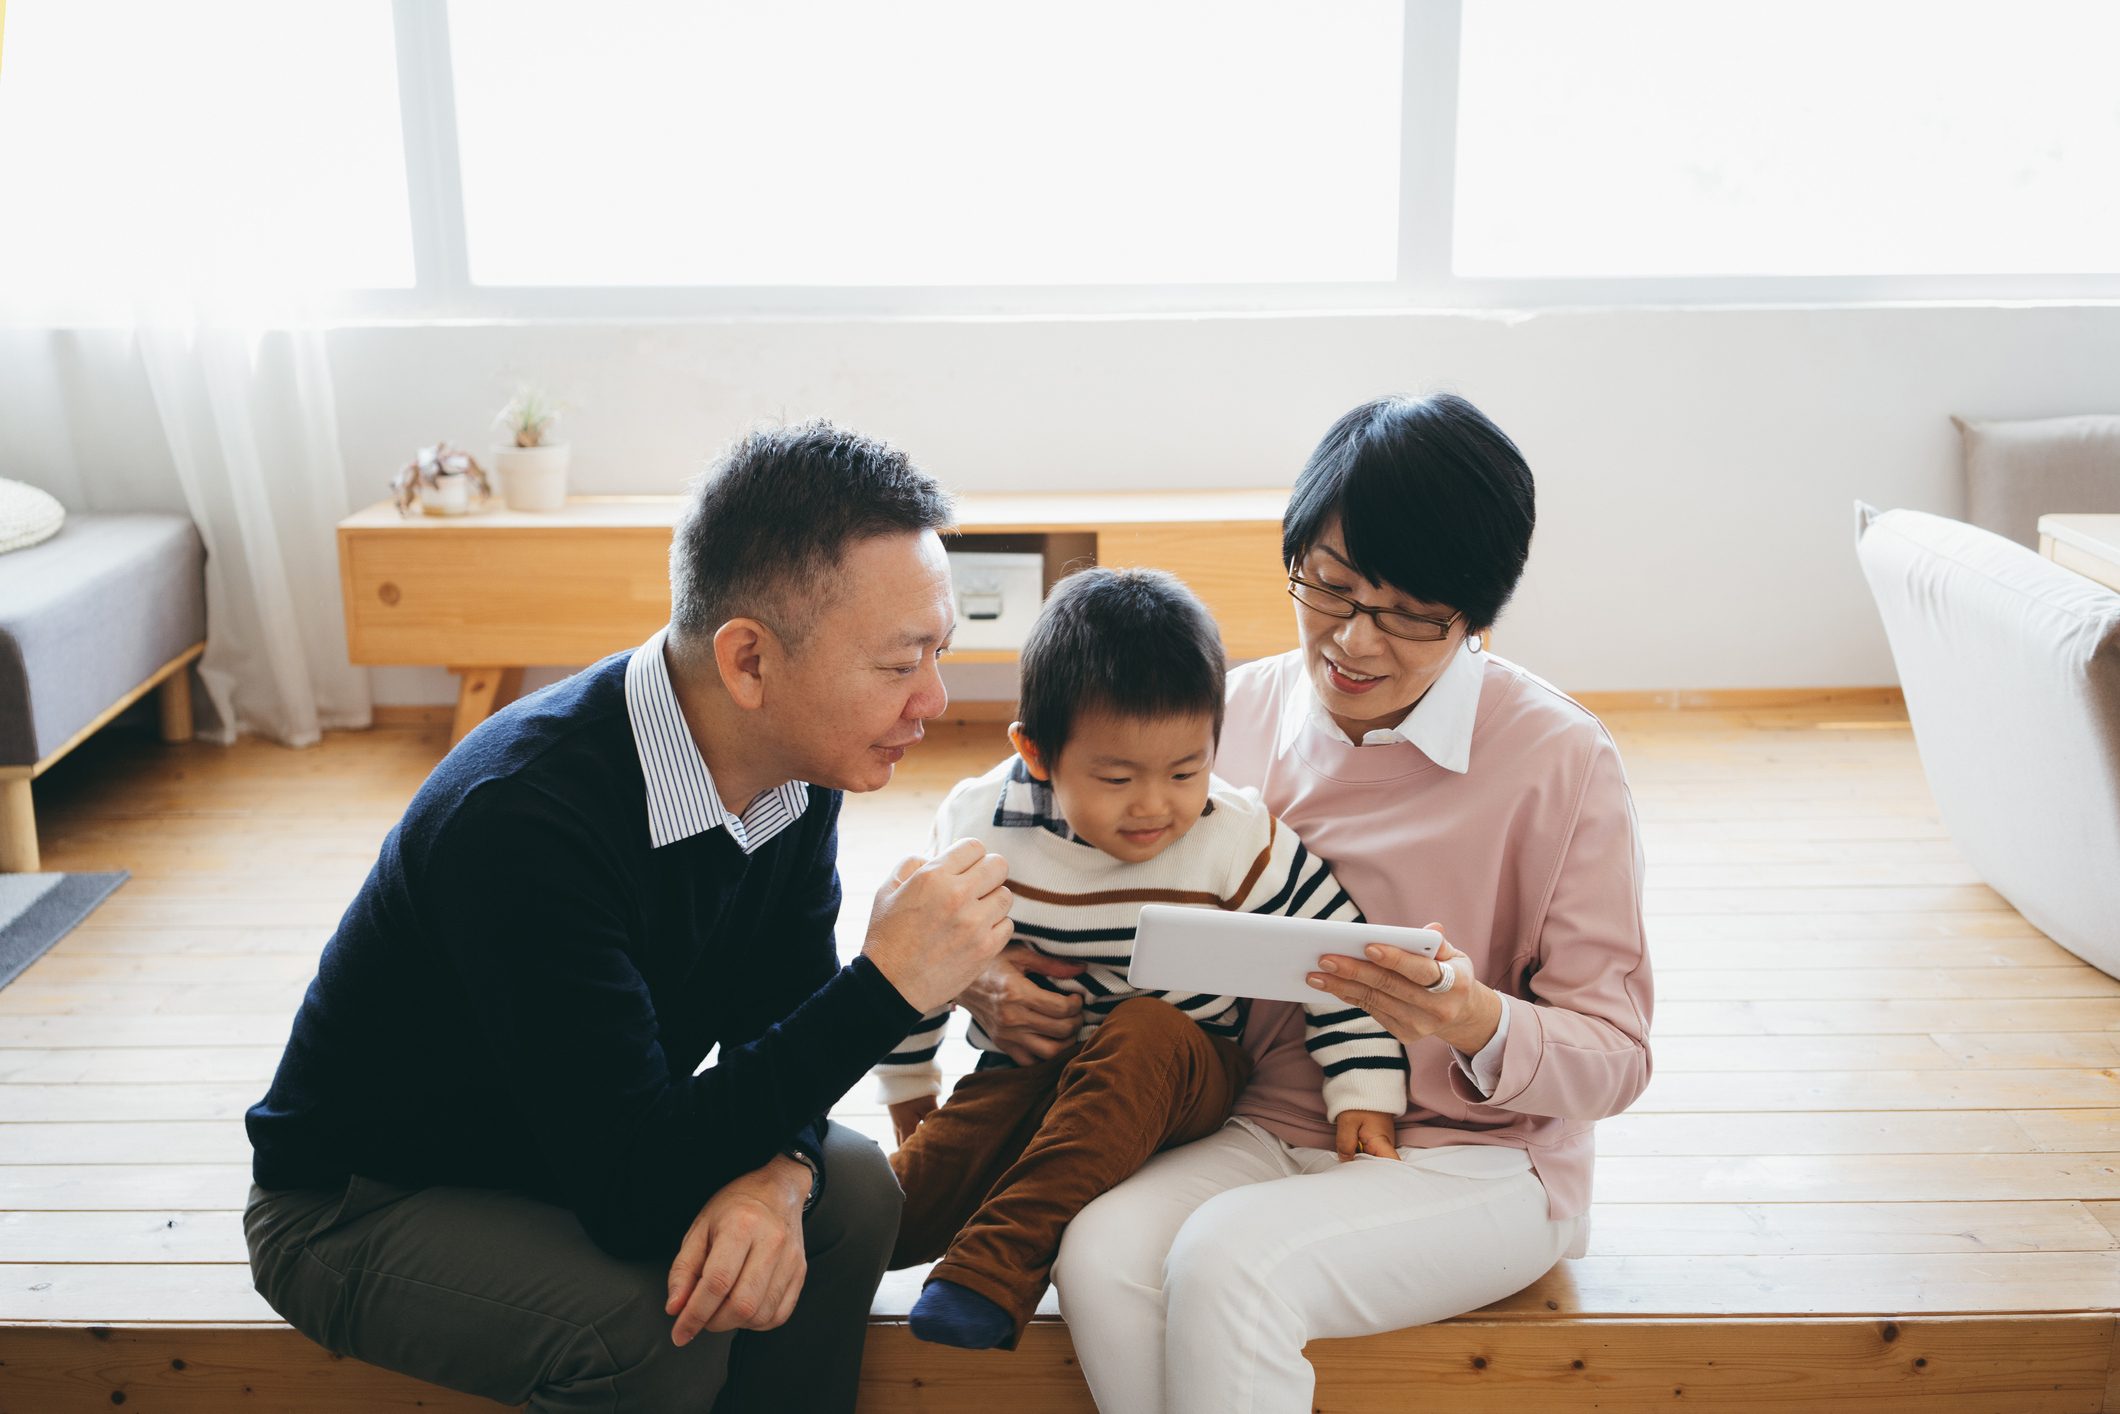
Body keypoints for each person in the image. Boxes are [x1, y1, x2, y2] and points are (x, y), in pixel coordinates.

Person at [242, 421, 1019, 1414]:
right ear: (747, 661)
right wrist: (885, 986)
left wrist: (777, 1171)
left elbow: (771, 1028)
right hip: (364, 1201)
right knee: (650, 1328)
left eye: (938, 653)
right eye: (898, 663)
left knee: (853, 1187)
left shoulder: (792, 764)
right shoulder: (524, 818)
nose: (933, 699)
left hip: (559, 1142)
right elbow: (630, 1189)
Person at [962, 393, 1652, 1412]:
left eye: (1411, 614)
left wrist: (1474, 1019)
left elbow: (1617, 1055)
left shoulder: (1560, 761)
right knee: (1101, 1252)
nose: (1353, 643)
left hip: (1478, 1161)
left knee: (1232, 1262)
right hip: (1256, 1123)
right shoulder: (1224, 714)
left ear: (1476, 612)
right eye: (1328, 588)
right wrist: (991, 981)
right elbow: (1019, 825)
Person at [876, 568, 1408, 1351]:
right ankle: (824, 1243)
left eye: (1186, 771)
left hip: (1181, 1071)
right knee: (920, 1181)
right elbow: (918, 960)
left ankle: (995, 1266)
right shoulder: (980, 827)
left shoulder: (1233, 836)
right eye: (1117, 779)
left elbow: (1332, 954)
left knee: (1144, 1027)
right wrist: (913, 1099)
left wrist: (1362, 1089)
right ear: (1037, 754)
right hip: (1031, 1064)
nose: (1156, 806)